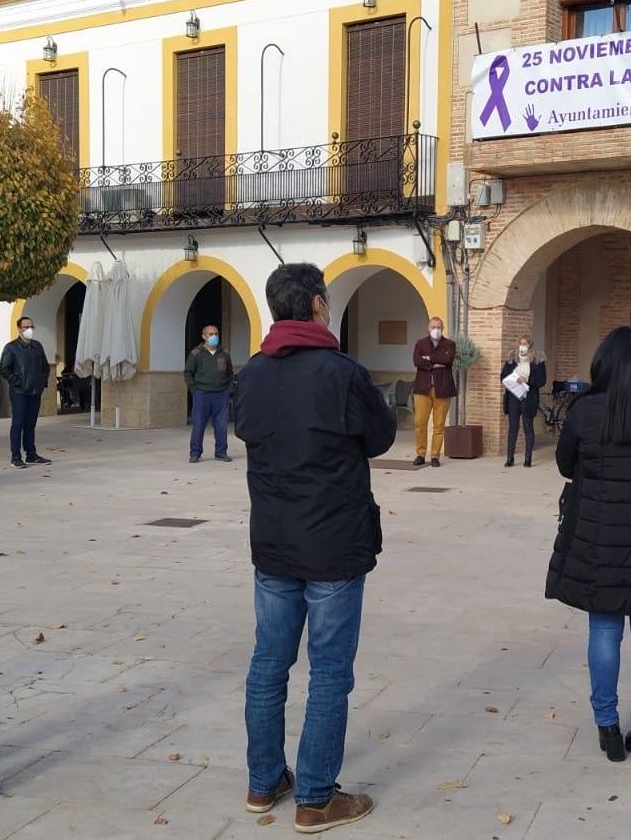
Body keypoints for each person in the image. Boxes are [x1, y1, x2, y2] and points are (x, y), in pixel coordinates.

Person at [234, 263, 395, 834]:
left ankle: (262, 783)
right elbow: (381, 436)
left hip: (274, 543)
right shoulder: (341, 371)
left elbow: (244, 430)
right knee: (328, 673)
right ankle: (316, 796)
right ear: (319, 305)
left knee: (267, 666)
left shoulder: (252, 373)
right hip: (333, 545)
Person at [545, 327, 631, 766]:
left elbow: (566, 464)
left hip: (599, 537)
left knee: (604, 629)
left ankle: (606, 727)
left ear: (603, 365)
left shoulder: (586, 412)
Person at [0, 316, 52, 470]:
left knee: (31, 424)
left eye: (31, 326)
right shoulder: (11, 347)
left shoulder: (37, 346)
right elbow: (3, 369)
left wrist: (41, 383)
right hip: (19, 392)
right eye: (25, 326)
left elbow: (45, 367)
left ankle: (31, 454)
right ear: (19, 329)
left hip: (35, 392)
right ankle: (15, 457)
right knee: (18, 423)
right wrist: (18, 381)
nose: (29, 329)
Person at [184, 324, 235, 464]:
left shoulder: (224, 353)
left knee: (221, 425)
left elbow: (230, 373)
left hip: (221, 394)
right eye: (211, 334)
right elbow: (188, 373)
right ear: (204, 336)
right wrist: (194, 390)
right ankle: (195, 453)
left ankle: (221, 452)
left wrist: (228, 389)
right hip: (202, 394)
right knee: (198, 424)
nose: (214, 337)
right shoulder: (196, 353)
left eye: (216, 334)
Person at [411, 316, 456, 467]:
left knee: (439, 425)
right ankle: (420, 454)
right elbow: (416, 360)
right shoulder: (421, 343)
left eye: (439, 327)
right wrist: (433, 363)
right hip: (422, 389)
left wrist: (428, 359)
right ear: (428, 328)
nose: (435, 330)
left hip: (442, 388)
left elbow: (447, 361)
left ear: (442, 329)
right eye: (433, 327)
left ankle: (435, 456)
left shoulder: (449, 344)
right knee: (420, 423)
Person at [499, 336, 547, 467]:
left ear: (530, 346)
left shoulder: (538, 361)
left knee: (528, 427)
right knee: (513, 428)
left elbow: (542, 380)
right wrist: (513, 380)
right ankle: (510, 458)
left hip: (528, 397)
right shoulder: (511, 360)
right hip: (513, 397)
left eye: (525, 344)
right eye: (520, 344)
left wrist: (527, 380)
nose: (522, 346)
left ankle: (528, 458)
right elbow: (503, 376)